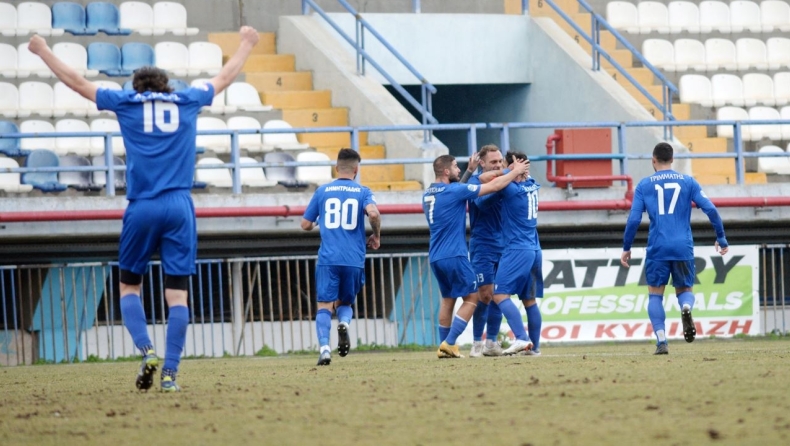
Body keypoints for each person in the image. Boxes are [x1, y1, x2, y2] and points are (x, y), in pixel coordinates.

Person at [28, 26, 261, 391]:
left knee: (128, 288)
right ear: (167, 87)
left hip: (142, 205)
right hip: (180, 205)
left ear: (136, 88)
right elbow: (225, 76)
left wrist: (42, 50)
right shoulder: (187, 100)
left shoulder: (124, 102)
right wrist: (246, 42)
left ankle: (146, 349)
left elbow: (75, 81)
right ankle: (170, 374)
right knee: (178, 296)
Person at [621, 142, 728, 355]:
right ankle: (686, 307)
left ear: (653, 160)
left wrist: (627, 246)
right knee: (685, 290)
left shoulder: (644, 185)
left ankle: (661, 340)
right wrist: (721, 237)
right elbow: (711, 209)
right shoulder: (688, 182)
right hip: (683, 246)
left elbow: (633, 219)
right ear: (672, 160)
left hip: (657, 246)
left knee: (654, 295)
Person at [423, 154, 528, 359]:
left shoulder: (429, 192)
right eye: (455, 167)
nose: (458, 169)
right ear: (446, 172)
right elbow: (493, 187)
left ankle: (444, 347)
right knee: (473, 298)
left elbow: (457, 191)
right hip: (455, 254)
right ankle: (450, 343)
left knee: (447, 301)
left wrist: (472, 171)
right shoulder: (455, 190)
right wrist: (513, 171)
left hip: (436, 255)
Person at [301, 148, 381, 366]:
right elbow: (373, 213)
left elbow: (305, 224)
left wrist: (319, 220)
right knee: (345, 302)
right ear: (356, 169)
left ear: (336, 168)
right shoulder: (363, 191)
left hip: (328, 258)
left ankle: (325, 349)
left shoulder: (323, 191)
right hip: (354, 259)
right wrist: (376, 235)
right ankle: (344, 323)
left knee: (324, 306)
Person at [487, 151, 543, 356]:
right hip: (535, 248)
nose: (501, 167)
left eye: (504, 163)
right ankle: (534, 348)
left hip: (517, 248)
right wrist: (516, 170)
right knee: (529, 300)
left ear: (514, 166)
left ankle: (521, 338)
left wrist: (508, 172)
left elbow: (493, 183)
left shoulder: (510, 189)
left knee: (499, 294)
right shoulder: (533, 184)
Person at [463, 145, 506, 357]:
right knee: (485, 295)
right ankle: (476, 343)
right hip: (482, 246)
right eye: (493, 163)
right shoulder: (473, 183)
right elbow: (482, 203)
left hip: (505, 245)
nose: (498, 165)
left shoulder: (507, 180)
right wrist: (503, 179)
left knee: (500, 294)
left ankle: (491, 342)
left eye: (500, 162)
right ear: (482, 164)